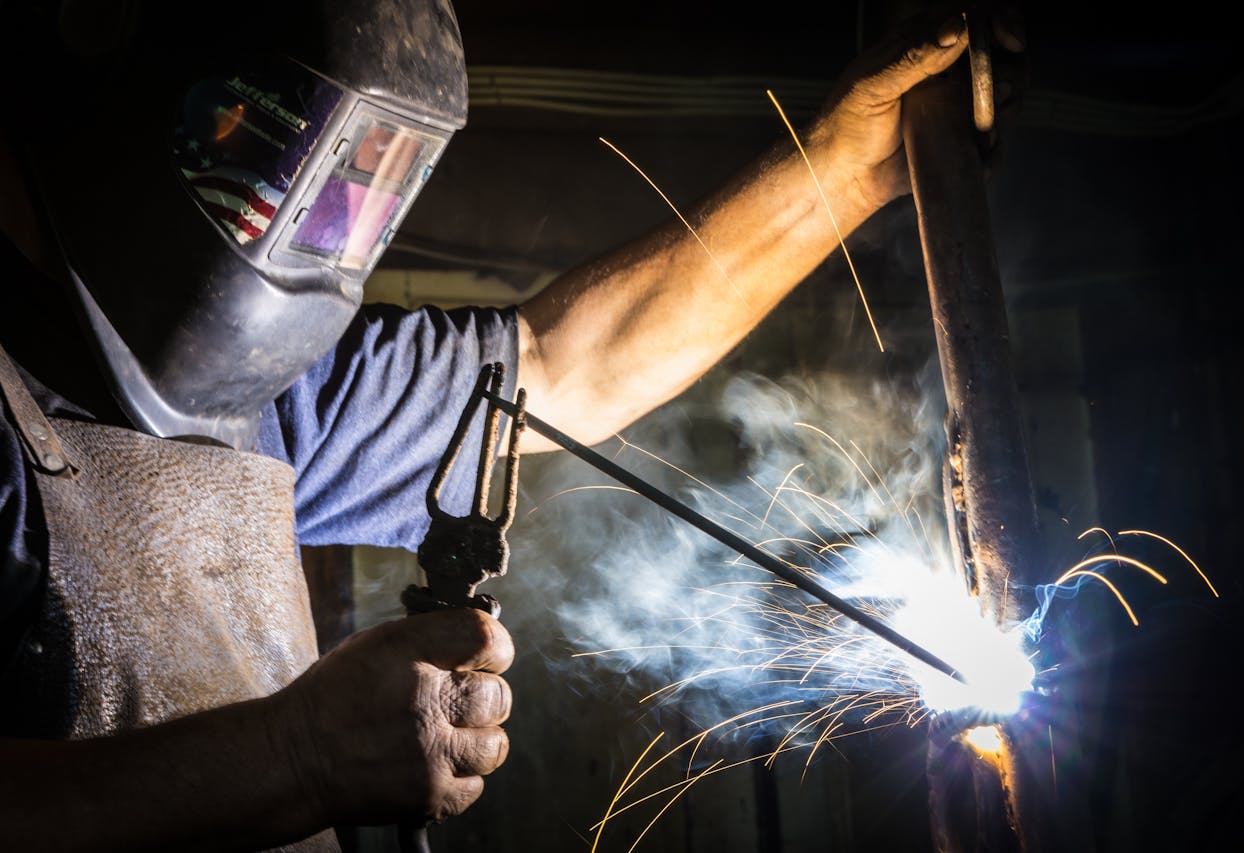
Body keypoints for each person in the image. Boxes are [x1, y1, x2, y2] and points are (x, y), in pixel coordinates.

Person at [0, 0, 1023, 850]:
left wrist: (842, 174)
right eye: (253, 148)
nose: (290, 219)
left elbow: (561, 365)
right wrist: (294, 756)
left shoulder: (258, 388)